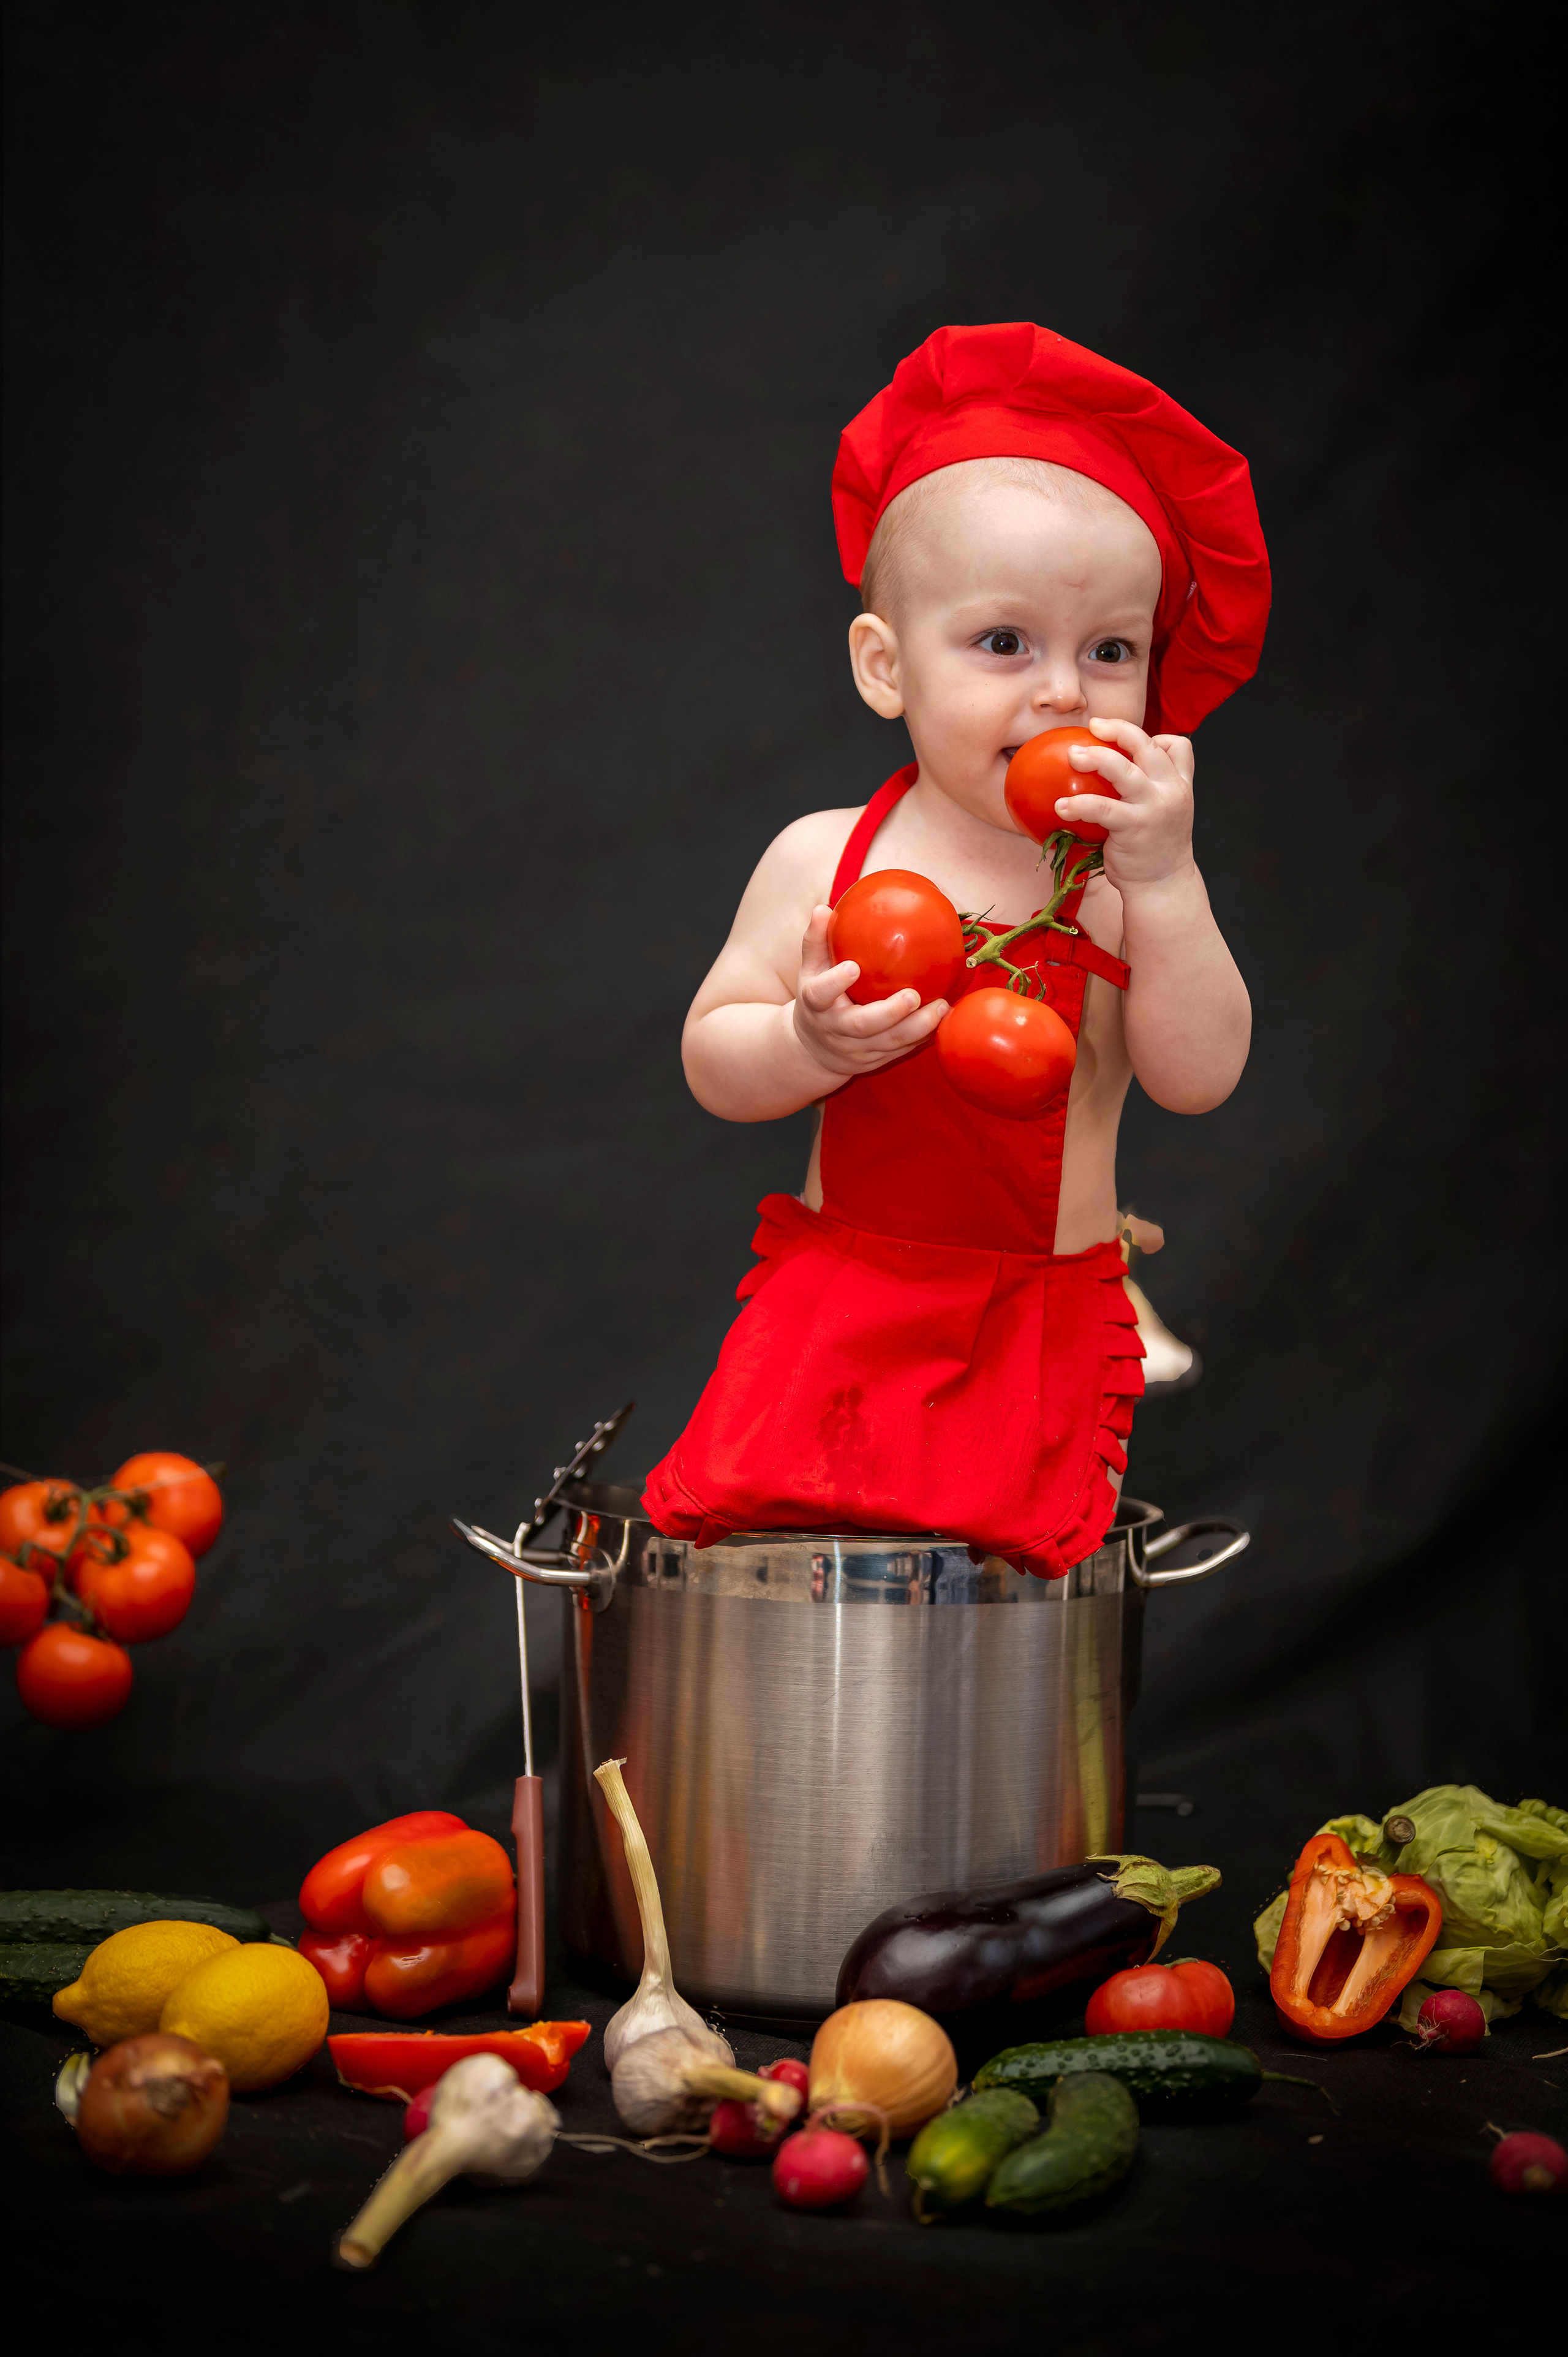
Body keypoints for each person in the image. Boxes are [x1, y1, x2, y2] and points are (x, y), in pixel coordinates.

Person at [643, 322, 1269, 1576]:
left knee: (1005, 1596)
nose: (1060, 695)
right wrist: (804, 1039)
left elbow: (1197, 1075)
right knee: (794, 1561)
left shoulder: (1111, 881)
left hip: (1036, 1316)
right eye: (1002, 643)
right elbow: (713, 1062)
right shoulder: (827, 857)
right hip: (847, 1305)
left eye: (1109, 652)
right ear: (885, 667)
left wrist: (1167, 880)